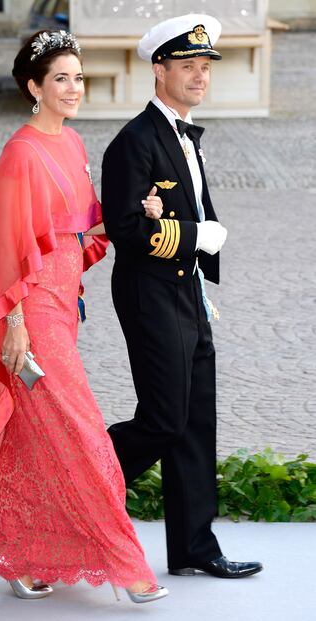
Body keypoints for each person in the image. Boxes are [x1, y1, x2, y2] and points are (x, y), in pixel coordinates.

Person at [0, 29, 168, 604]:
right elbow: (6, 248)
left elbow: (82, 227)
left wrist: (137, 212)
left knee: (32, 433)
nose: (73, 88)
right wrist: (15, 323)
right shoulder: (20, 155)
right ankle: (128, 565)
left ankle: (23, 557)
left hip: (64, 307)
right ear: (34, 87)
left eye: (78, 77)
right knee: (83, 428)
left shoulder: (71, 145)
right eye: (60, 79)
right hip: (31, 313)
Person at [101, 14, 263, 579]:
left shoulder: (185, 135)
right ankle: (76, 475)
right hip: (149, 294)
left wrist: (195, 248)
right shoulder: (134, 142)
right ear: (159, 69)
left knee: (195, 421)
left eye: (205, 67)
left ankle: (195, 546)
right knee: (165, 420)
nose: (199, 77)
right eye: (187, 66)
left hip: (187, 291)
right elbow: (124, 229)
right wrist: (199, 236)